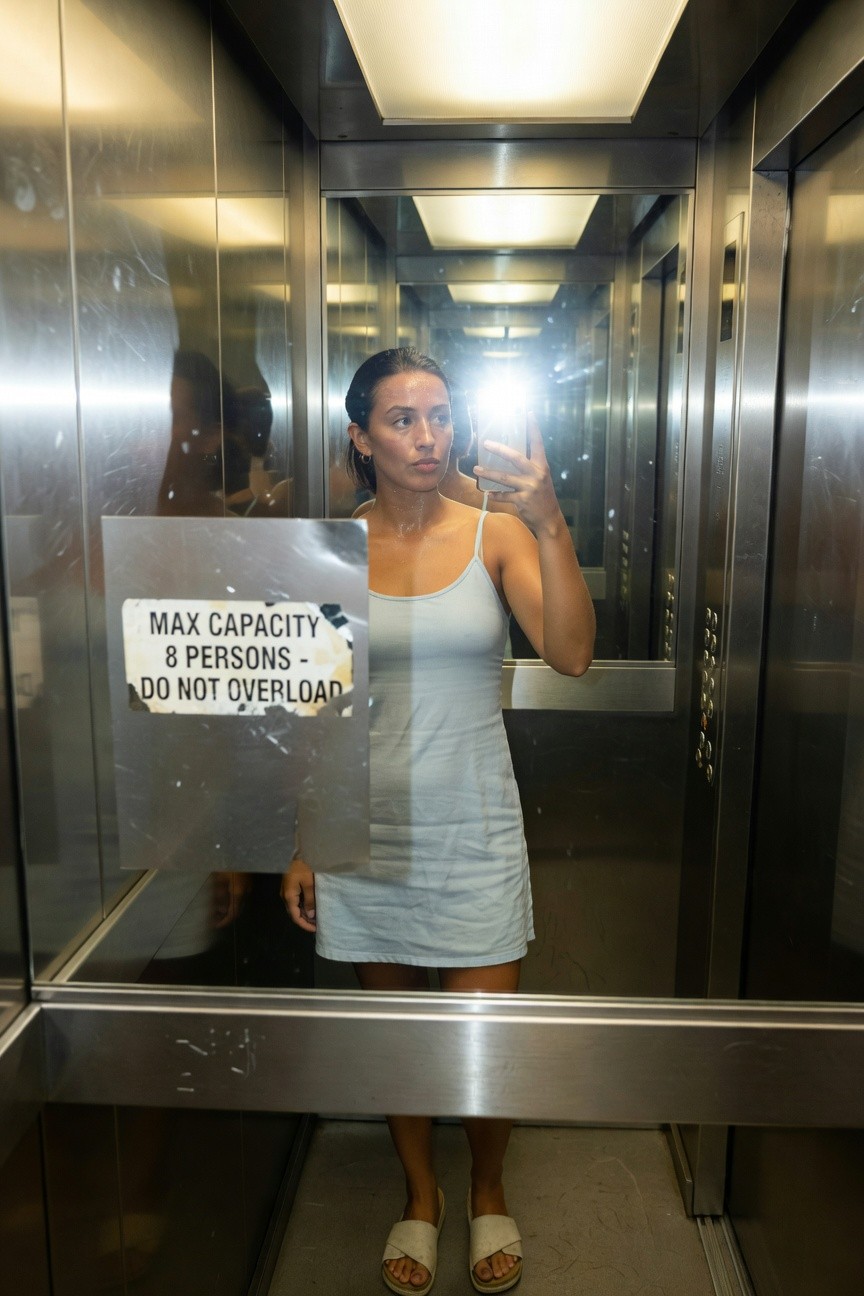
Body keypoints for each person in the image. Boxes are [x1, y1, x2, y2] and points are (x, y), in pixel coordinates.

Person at [282, 348, 595, 1295]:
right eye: (402, 419)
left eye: (440, 415)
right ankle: (421, 1193)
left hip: (474, 827)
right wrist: (303, 841)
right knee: (401, 1036)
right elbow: (314, 707)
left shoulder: (494, 533)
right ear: (360, 436)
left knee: (477, 1039)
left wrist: (547, 519)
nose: (428, 436)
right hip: (365, 834)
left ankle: (488, 1183)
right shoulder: (326, 549)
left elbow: (574, 654)